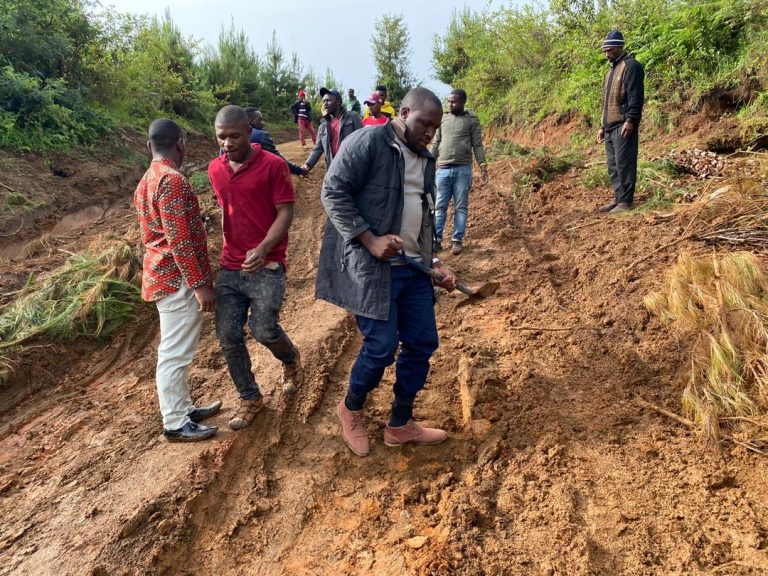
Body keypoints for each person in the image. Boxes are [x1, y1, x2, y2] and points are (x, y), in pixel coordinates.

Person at [316, 87, 457, 457]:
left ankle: (400, 424)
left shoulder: (425, 159)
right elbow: (332, 192)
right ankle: (351, 408)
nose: (430, 132)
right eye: (425, 123)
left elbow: (425, 216)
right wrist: (370, 238)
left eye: (435, 127)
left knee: (422, 343)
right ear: (405, 112)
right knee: (380, 347)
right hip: (373, 268)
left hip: (413, 268)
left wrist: (436, 263)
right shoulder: (368, 142)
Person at [208, 105, 303, 430]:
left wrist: (263, 248)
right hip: (230, 267)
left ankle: (290, 359)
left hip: (268, 265)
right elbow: (226, 209)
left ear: (249, 132)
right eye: (222, 137)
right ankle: (250, 398)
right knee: (228, 336)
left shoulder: (273, 166)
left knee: (263, 329)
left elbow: (285, 213)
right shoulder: (215, 170)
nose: (228, 143)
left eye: (234, 135)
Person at [133, 118, 220, 442]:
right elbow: (179, 240)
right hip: (176, 280)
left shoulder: (146, 181)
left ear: (149, 146)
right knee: (174, 354)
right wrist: (200, 286)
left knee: (176, 351)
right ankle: (175, 422)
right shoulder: (171, 181)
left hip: (162, 275)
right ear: (181, 144)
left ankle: (184, 408)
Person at [430, 89, 488, 255]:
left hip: (463, 170)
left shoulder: (471, 120)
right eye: (449, 101)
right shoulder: (443, 119)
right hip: (442, 170)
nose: (450, 104)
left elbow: (477, 145)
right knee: (440, 206)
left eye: (454, 102)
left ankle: (457, 240)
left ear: (462, 102)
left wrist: (483, 165)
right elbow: (436, 143)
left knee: (460, 206)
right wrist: (428, 162)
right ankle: (436, 240)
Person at [597, 29, 644, 214]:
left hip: (623, 124)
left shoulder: (631, 66)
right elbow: (606, 101)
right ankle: (618, 198)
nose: (606, 52)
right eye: (604, 50)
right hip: (609, 126)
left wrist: (631, 119)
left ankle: (626, 201)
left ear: (619, 46)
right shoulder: (610, 71)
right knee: (613, 165)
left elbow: (635, 96)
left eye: (609, 49)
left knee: (625, 162)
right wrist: (602, 126)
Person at [301, 87, 362, 173]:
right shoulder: (323, 125)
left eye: (329, 100)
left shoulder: (352, 117)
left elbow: (363, 142)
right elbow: (318, 149)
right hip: (333, 171)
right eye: (324, 101)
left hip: (352, 170)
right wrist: (307, 164)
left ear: (338, 102)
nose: (325, 104)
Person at [245, 108, 307, 176]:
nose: (263, 123)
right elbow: (278, 159)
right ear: (252, 121)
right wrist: (300, 171)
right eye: (260, 120)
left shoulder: (237, 135)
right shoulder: (261, 135)